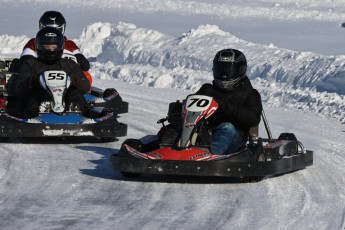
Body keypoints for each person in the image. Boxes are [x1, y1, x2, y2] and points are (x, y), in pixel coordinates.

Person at [6, 27, 90, 118]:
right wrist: (33, 81)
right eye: (46, 46)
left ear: (60, 46)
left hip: (66, 102)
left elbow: (85, 87)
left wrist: (73, 80)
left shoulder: (69, 64)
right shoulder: (30, 64)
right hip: (38, 101)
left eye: (54, 46)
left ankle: (75, 112)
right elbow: (19, 90)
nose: (50, 49)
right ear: (38, 46)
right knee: (34, 95)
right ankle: (38, 115)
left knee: (75, 93)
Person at [193, 48, 262, 154]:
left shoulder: (250, 94)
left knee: (227, 127)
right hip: (204, 132)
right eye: (221, 70)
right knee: (182, 125)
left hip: (234, 138)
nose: (224, 75)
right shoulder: (207, 89)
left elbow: (253, 119)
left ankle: (209, 155)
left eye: (229, 70)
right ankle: (166, 148)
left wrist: (226, 106)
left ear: (240, 70)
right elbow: (193, 108)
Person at [18, 11, 92, 86]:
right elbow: (25, 61)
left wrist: (80, 61)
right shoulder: (34, 42)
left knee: (86, 76)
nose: (52, 32)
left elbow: (84, 64)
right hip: (41, 81)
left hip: (67, 80)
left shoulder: (70, 44)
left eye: (56, 29)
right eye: (48, 28)